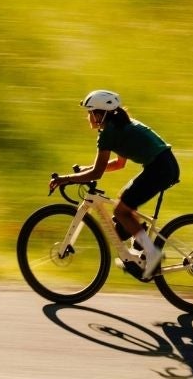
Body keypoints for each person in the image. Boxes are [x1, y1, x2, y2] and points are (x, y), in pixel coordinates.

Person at [49, 89, 179, 280]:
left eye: (89, 112)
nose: (88, 117)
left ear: (100, 114)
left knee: (120, 210)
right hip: (163, 165)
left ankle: (152, 254)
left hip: (160, 169)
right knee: (124, 202)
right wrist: (87, 168)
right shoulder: (121, 126)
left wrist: (64, 179)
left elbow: (97, 173)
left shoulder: (109, 133)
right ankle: (139, 245)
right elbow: (119, 164)